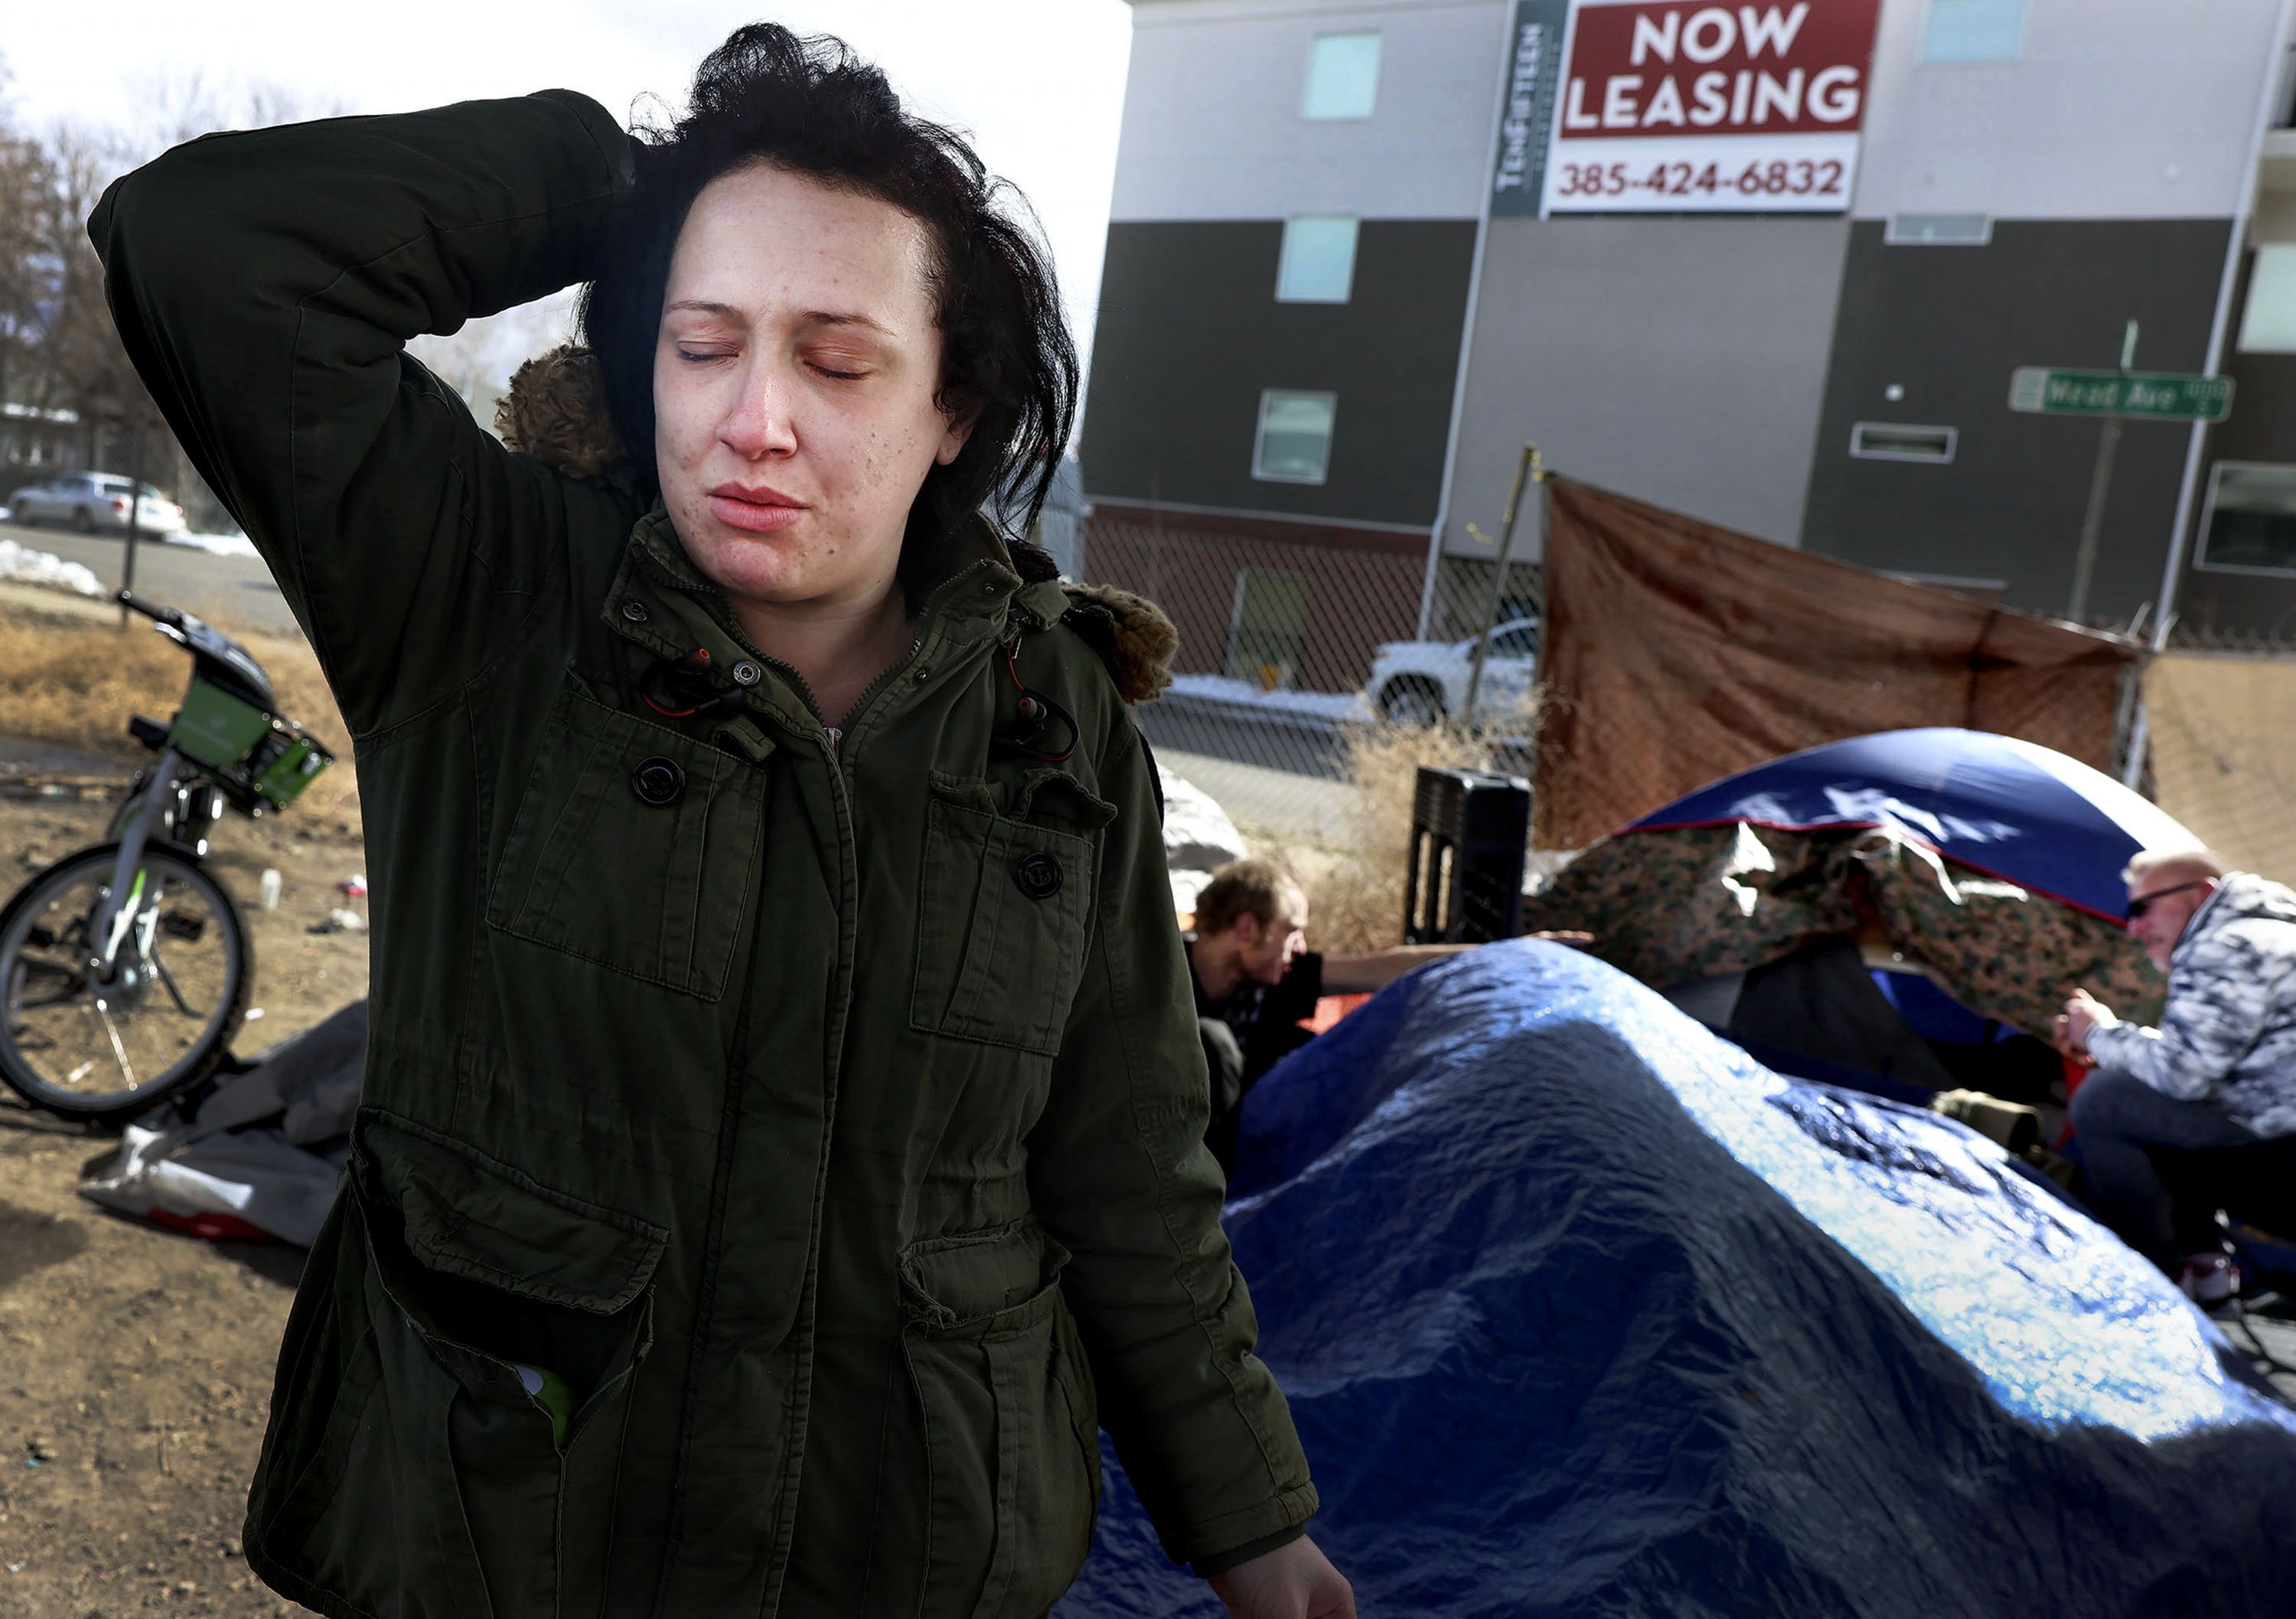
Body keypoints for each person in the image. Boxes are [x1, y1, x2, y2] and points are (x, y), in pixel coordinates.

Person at [93, 27, 1350, 1619]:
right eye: (702, 343)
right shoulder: (482, 596)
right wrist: (639, 179)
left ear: (953, 407)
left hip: (907, 1553)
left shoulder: (1057, 719)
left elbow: (1124, 1162)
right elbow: (205, 247)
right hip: (510, 1537)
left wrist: (1248, 1519)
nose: (755, 418)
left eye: (834, 361)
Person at [1186, 859, 1568, 1177]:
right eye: (1291, 932)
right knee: (1213, 1043)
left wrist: (1508, 954)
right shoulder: (1157, 980)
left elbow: (1381, 968)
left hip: (1237, 1138)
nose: (1300, 946)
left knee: (1304, 1050)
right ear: (1247, 928)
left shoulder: (1271, 977)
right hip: (1167, 1147)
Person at [2059, 848, 2296, 1288]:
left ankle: (2149, 1280)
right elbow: (2198, 1061)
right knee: (2151, 1101)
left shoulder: (2229, 945)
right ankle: (2205, 1266)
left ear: (2202, 893)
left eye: (2142, 908)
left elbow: (2181, 1074)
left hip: (2283, 1161)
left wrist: (2095, 1033)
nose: (2134, 927)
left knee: (2106, 1099)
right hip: (2278, 1138)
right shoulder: (2274, 935)